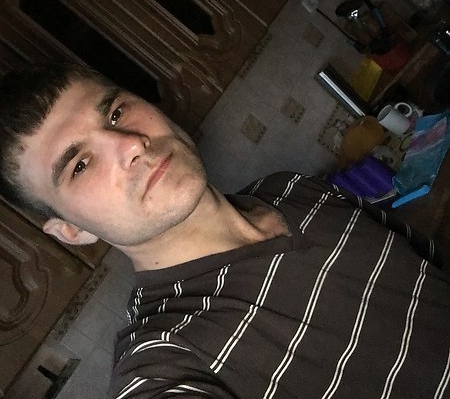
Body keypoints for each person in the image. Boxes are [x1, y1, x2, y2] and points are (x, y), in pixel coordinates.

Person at [0, 62, 448, 399]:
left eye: (116, 113)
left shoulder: (291, 187)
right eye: (80, 165)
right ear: (71, 231)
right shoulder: (169, 360)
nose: (131, 144)